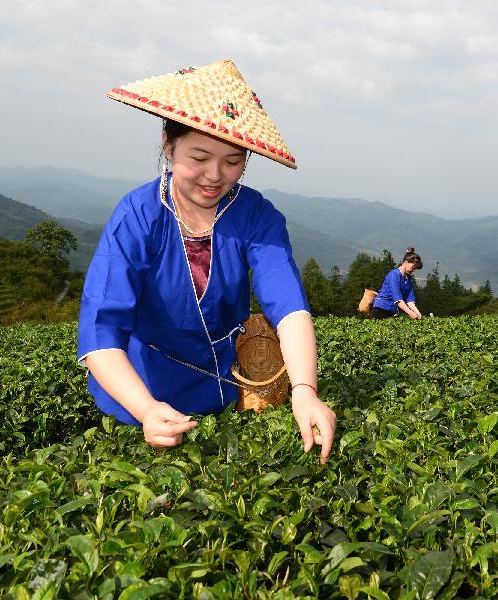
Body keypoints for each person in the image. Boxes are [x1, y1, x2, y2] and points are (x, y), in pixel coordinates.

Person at [77, 60, 336, 461]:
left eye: (233, 161)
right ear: (168, 144)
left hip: (224, 386)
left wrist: (305, 391)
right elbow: (102, 330)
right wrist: (146, 409)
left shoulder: (255, 215)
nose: (215, 176)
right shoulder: (137, 217)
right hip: (141, 390)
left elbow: (288, 306)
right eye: (199, 157)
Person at [369, 248, 424, 319]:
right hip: (380, 309)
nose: (413, 270)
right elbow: (398, 299)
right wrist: (410, 313)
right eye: (413, 267)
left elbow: (410, 300)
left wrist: (418, 313)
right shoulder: (394, 275)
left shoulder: (408, 279)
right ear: (406, 262)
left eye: (415, 268)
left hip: (392, 311)